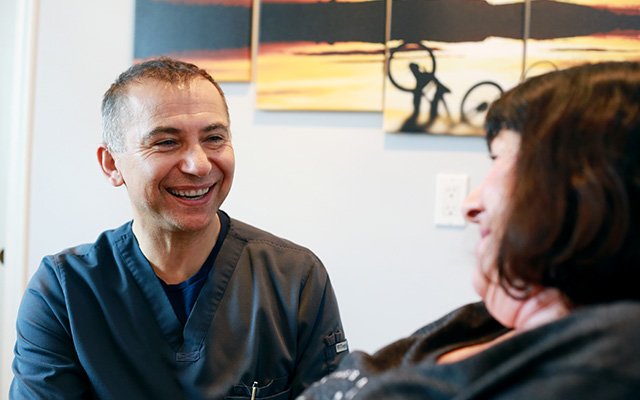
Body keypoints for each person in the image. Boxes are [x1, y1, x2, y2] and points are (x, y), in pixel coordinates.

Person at [298, 61, 640, 399]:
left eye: (503, 161)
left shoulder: (616, 352)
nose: (471, 204)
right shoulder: (485, 320)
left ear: (591, 193)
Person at [10, 58, 348, 399]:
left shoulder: (295, 279)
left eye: (214, 138)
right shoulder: (63, 293)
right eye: (166, 142)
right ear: (112, 164)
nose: (199, 165)